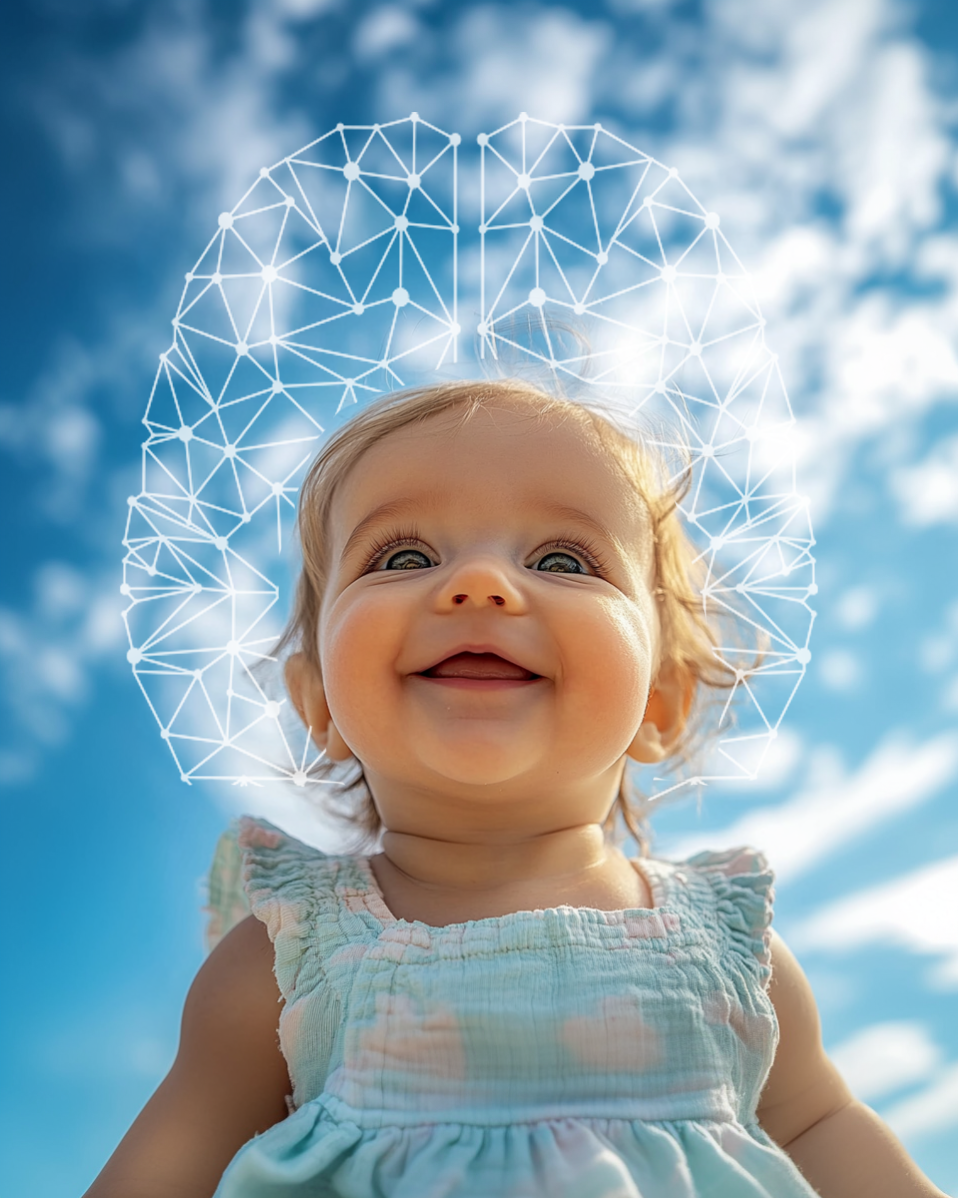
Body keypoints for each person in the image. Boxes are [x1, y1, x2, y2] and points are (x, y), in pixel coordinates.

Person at [84, 379, 947, 1198]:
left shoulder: (730, 953)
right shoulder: (284, 958)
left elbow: (822, 1124)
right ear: (320, 703)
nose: (480, 584)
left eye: (565, 558)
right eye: (406, 553)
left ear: (660, 700)